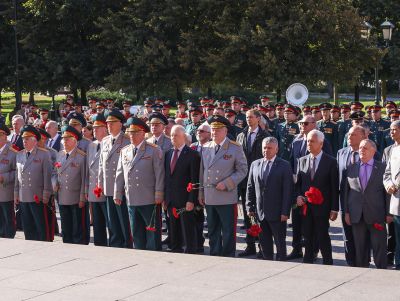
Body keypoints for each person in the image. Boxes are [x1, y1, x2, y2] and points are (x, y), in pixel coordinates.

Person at [198, 115, 248, 257]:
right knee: (212, 228)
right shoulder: (206, 147)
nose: (214, 132)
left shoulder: (234, 148)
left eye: (218, 130)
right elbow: (202, 172)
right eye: (212, 129)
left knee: (227, 229)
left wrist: (227, 183)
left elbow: (243, 170)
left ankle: (227, 254)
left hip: (226, 196)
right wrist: (201, 193)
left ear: (225, 131)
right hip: (210, 195)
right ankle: (214, 252)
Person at [114, 117, 164, 250]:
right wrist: (117, 193)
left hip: (149, 197)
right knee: (136, 231)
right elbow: (120, 173)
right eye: (130, 132)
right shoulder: (125, 150)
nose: (132, 135)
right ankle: (140, 253)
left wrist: (159, 193)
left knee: (152, 232)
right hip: (132, 197)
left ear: (143, 133)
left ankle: (154, 254)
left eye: (135, 132)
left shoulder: (153, 149)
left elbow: (159, 174)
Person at [344, 139, 390, 269]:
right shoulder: (351, 168)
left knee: (379, 245)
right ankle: (361, 269)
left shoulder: (382, 168)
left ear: (373, 151)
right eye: (360, 148)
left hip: (377, 214)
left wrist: (388, 213)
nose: (361, 150)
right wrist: (346, 212)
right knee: (360, 247)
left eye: (365, 148)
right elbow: (346, 192)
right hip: (357, 214)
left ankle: (381, 269)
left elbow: (386, 193)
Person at [295, 130, 339, 265]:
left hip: (323, 206)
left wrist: (334, 209)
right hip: (306, 207)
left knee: (322, 234)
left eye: (312, 141)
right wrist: (298, 196)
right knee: (307, 235)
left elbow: (334, 187)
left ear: (321, 143)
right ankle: (308, 259)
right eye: (307, 141)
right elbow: (298, 184)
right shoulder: (302, 160)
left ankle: (327, 260)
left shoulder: (330, 162)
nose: (309, 143)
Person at [246, 137, 293, 260]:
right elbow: (250, 186)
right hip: (260, 212)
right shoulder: (255, 164)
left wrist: (285, 212)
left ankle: (282, 263)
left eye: (270, 148)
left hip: (277, 213)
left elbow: (287, 191)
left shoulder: (284, 165)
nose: (266, 150)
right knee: (264, 243)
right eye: (264, 148)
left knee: (280, 243)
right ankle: (268, 262)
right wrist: (249, 206)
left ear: (276, 149)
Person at [236, 109, 269, 257]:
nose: (248, 119)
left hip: (259, 181)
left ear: (258, 119)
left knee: (261, 215)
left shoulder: (265, 136)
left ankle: (263, 247)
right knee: (248, 214)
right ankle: (250, 246)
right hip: (244, 181)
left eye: (251, 117)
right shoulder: (241, 135)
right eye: (247, 117)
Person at [98, 109, 132, 248]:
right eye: (108, 123)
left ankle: (126, 243)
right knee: (111, 220)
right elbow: (101, 164)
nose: (109, 126)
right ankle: (115, 242)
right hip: (108, 186)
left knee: (123, 219)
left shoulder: (127, 140)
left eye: (112, 123)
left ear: (120, 124)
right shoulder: (105, 141)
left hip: (121, 188)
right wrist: (99, 183)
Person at [336, 125, 370, 267]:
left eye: (353, 135)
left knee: (363, 235)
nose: (349, 137)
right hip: (345, 200)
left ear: (363, 137)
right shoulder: (341, 153)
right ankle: (350, 262)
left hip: (364, 202)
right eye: (348, 135)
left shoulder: (371, 152)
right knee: (347, 235)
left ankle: (363, 261)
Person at [164, 125, 201, 253]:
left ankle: (191, 248)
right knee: (173, 225)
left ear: (183, 137)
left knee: (187, 226)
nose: (173, 138)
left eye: (176, 135)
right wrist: (165, 198)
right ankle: (175, 247)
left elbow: (194, 179)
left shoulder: (192, 155)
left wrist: (191, 199)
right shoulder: (168, 153)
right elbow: (167, 177)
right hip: (171, 197)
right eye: (172, 135)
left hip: (185, 198)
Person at [14, 125, 52, 241]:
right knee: (27, 226)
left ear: (34, 140)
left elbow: (47, 176)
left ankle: (44, 245)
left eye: (27, 139)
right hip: (24, 196)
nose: (24, 141)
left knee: (40, 225)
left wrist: (46, 195)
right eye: (23, 139)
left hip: (37, 196)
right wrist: (16, 193)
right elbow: (17, 176)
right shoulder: (19, 154)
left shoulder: (43, 154)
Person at [53, 126, 89, 245]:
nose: (64, 142)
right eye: (63, 139)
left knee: (77, 225)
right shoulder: (60, 155)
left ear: (75, 140)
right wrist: (54, 183)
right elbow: (55, 173)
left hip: (75, 196)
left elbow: (84, 179)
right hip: (62, 195)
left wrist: (82, 198)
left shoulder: (81, 156)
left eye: (67, 139)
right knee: (65, 224)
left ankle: (79, 244)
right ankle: (67, 243)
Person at [86, 114, 109, 246]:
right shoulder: (91, 145)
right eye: (93, 128)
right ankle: (100, 243)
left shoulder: (108, 143)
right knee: (97, 221)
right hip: (94, 189)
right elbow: (88, 170)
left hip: (105, 189)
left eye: (98, 128)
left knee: (110, 221)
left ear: (105, 129)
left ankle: (113, 242)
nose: (94, 130)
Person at [383, 120, 400, 269]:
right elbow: (387, 173)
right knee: (397, 235)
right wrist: (388, 185)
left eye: (394, 130)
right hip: (396, 200)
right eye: (391, 130)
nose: (391, 132)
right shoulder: (392, 150)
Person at [0, 124, 17, 238]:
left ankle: (10, 237)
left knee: (8, 219)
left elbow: (18, 172)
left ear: (5, 136)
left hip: (6, 192)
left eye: (0, 134)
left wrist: (3, 177)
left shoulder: (13, 152)